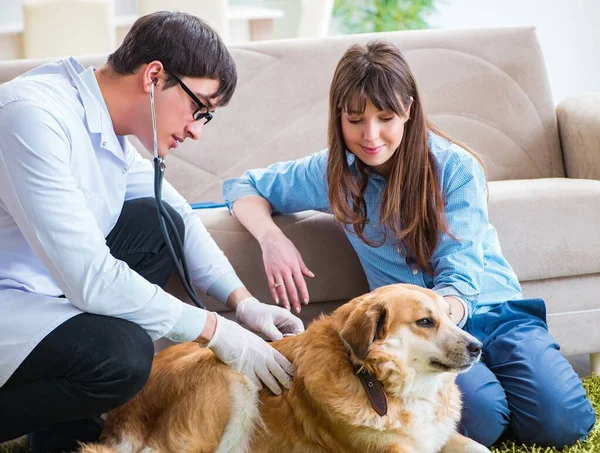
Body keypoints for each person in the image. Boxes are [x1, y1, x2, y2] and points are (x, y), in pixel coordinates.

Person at [222, 40, 596, 448]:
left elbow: (463, 275)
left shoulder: (455, 168)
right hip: (418, 337)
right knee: (483, 420)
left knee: (565, 423)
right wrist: (271, 237)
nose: (371, 136)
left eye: (385, 117)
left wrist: (440, 327)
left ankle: (506, 380)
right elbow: (244, 185)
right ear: (338, 117)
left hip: (491, 310)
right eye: (355, 119)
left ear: (409, 111)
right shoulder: (333, 173)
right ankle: (492, 393)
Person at [0, 11, 303, 453]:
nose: (197, 130)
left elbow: (179, 218)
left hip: (43, 288)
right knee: (122, 358)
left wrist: (245, 302)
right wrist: (218, 332)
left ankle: (61, 441)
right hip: (11, 299)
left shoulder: (110, 130)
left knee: (157, 226)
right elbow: (90, 278)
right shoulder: (32, 118)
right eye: (199, 108)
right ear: (154, 76)